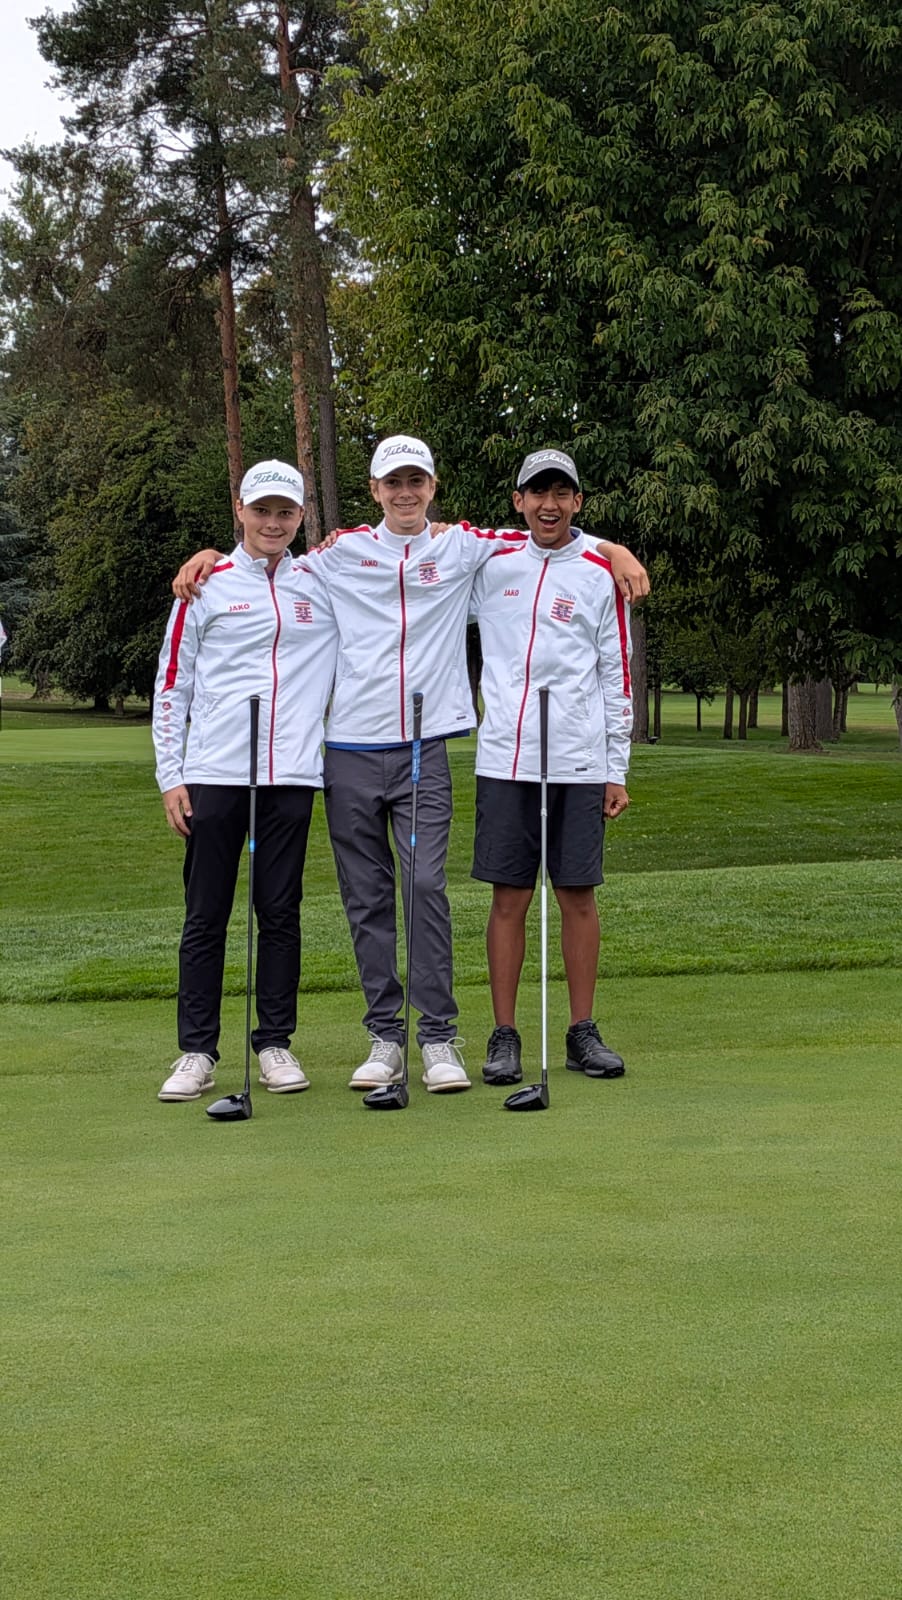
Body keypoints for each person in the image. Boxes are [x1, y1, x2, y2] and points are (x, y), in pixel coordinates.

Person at [171, 436, 648, 1096]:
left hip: (426, 745)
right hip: (348, 750)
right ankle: (385, 1038)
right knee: (367, 901)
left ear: (432, 487)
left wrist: (615, 549)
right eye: (392, 482)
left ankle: (438, 1037)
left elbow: (547, 541)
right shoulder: (336, 554)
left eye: (415, 481)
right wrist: (212, 558)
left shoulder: (464, 546)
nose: (404, 492)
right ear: (374, 489)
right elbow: (267, 564)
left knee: (425, 888)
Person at [153, 460, 337, 1102]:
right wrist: (171, 776)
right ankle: (197, 1051)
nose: (273, 523)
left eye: (285, 512)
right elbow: (172, 686)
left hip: (291, 775)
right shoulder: (204, 585)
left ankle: (274, 1043)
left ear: (301, 516)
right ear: (240, 510)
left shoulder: (322, 582)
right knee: (206, 915)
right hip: (215, 773)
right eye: (262, 510)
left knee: (279, 912)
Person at [468, 448, 633, 1087]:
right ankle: (504, 1034)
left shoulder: (600, 572)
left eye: (562, 493)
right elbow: (431, 547)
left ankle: (581, 1031)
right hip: (505, 757)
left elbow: (617, 674)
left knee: (577, 896)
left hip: (578, 758)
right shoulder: (493, 561)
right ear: (519, 501)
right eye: (538, 493)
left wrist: (616, 768)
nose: (549, 504)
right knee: (508, 896)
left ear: (578, 502)